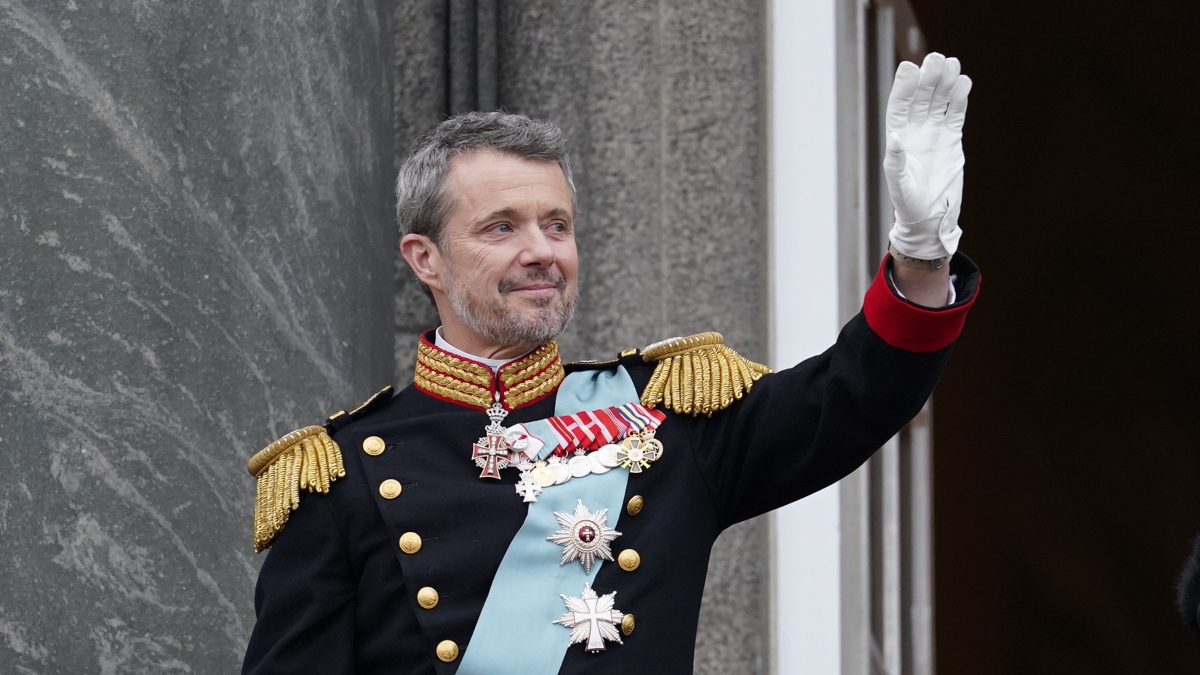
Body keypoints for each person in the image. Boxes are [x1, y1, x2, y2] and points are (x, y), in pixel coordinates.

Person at [241, 53, 979, 674]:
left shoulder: (669, 416)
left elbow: (854, 396)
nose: (542, 251)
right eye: (502, 227)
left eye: (556, 224)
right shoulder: (339, 477)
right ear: (424, 258)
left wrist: (921, 260)